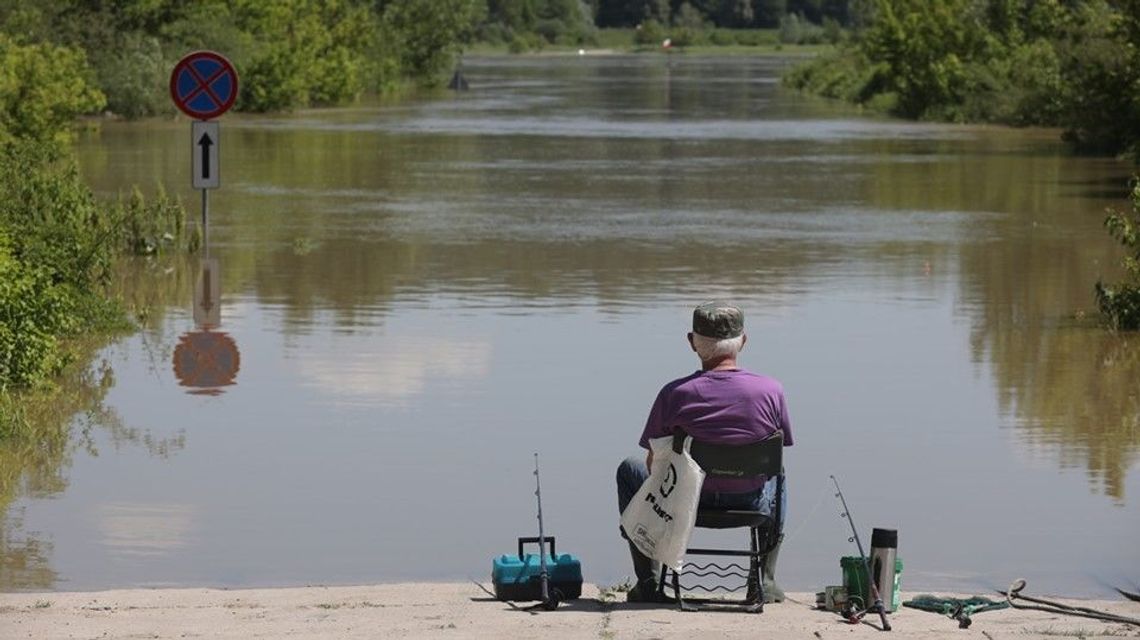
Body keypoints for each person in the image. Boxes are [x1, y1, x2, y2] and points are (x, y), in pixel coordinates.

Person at [616, 300, 794, 603]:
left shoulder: (675, 394)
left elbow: (652, 464)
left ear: (692, 343)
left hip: (685, 506)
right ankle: (764, 579)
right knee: (779, 472)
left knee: (628, 470)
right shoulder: (771, 391)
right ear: (743, 341)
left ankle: (648, 580)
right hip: (751, 504)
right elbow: (777, 451)